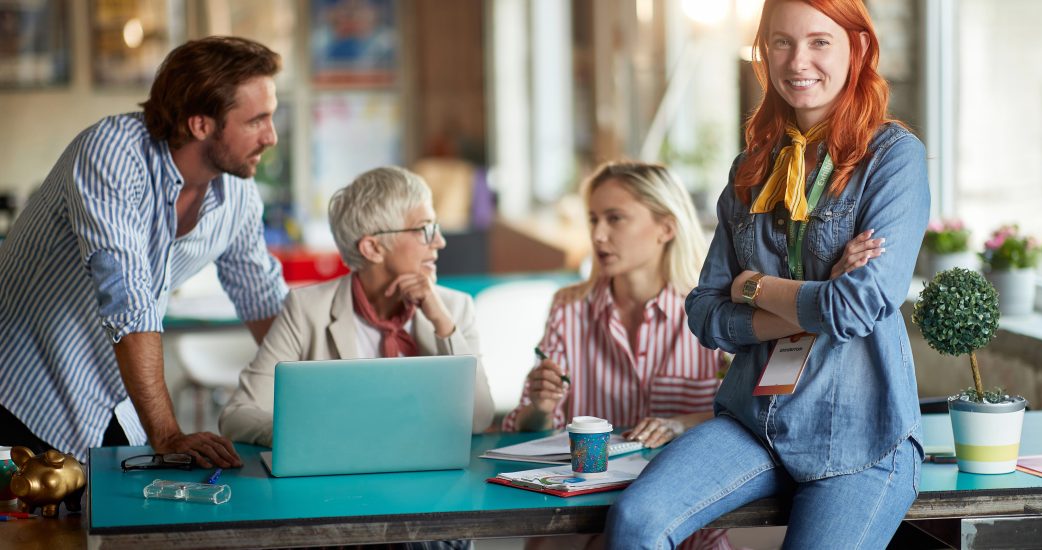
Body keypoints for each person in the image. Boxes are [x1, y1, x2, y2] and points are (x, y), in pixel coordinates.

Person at [605, 0, 929, 547]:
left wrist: (754, 288)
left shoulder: (893, 158)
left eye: (820, 41)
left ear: (859, 48)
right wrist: (815, 295)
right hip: (753, 424)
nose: (798, 59)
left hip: (860, 438)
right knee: (637, 521)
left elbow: (856, 307)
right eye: (781, 41)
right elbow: (705, 312)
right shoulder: (751, 168)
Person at [0, 36, 289, 467]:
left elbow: (263, 299)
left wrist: (321, 405)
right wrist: (168, 434)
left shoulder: (239, 194)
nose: (272, 136)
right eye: (256, 120)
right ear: (200, 124)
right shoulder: (112, 152)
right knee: (36, 532)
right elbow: (128, 299)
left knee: (111, 520)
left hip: (110, 390)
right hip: (22, 385)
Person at [502, 162, 731, 550]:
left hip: (687, 520)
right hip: (582, 521)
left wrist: (684, 423)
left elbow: (752, 415)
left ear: (666, 227)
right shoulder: (568, 308)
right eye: (592, 219)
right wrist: (540, 406)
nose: (598, 235)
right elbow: (528, 427)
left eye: (615, 219)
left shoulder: (713, 314)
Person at [220, 166, 495, 446]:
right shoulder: (307, 310)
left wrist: (442, 324)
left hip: (432, 476)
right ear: (372, 248)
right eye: (424, 230)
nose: (440, 241)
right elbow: (238, 414)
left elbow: (479, 419)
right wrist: (309, 434)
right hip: (341, 479)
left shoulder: (453, 309)